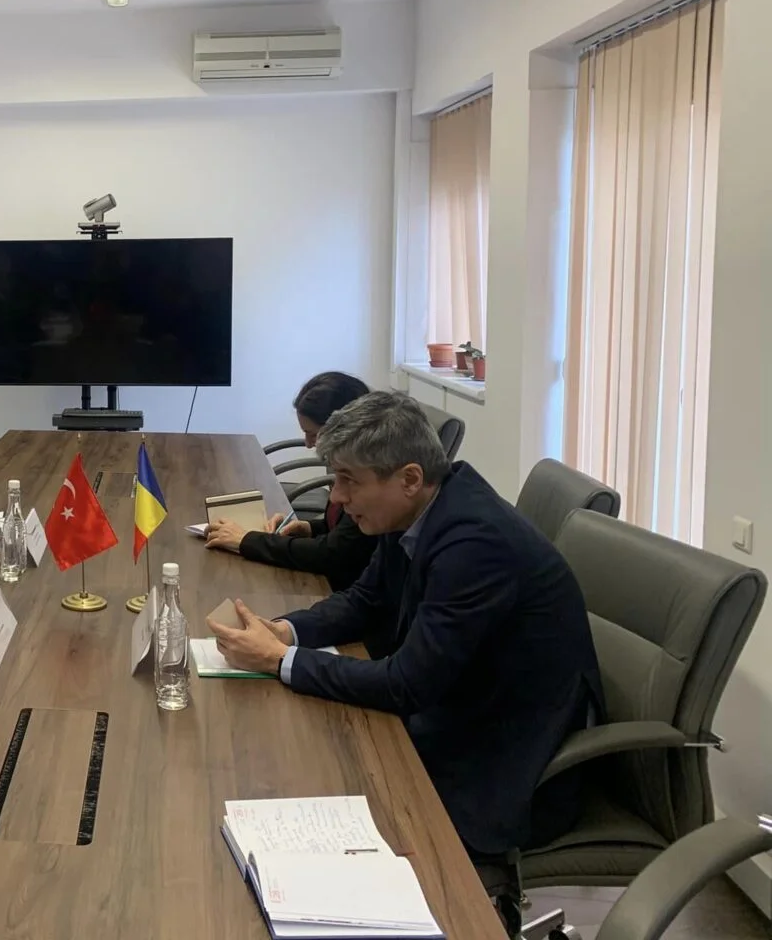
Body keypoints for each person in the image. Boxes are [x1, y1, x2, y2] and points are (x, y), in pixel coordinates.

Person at [206, 392, 600, 929]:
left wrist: (280, 661)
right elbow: (365, 601)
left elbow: (406, 685)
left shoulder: (475, 544)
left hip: (506, 757)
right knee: (305, 758)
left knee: (317, 779)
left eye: (349, 481)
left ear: (409, 478)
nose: (337, 498)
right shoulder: (420, 509)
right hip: (463, 702)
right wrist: (286, 630)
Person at [205, 371, 379, 593]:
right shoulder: (351, 470)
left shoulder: (368, 482)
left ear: (342, 429)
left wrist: (246, 541)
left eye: (313, 434)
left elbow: (332, 554)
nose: (308, 444)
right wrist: (309, 528)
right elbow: (345, 535)